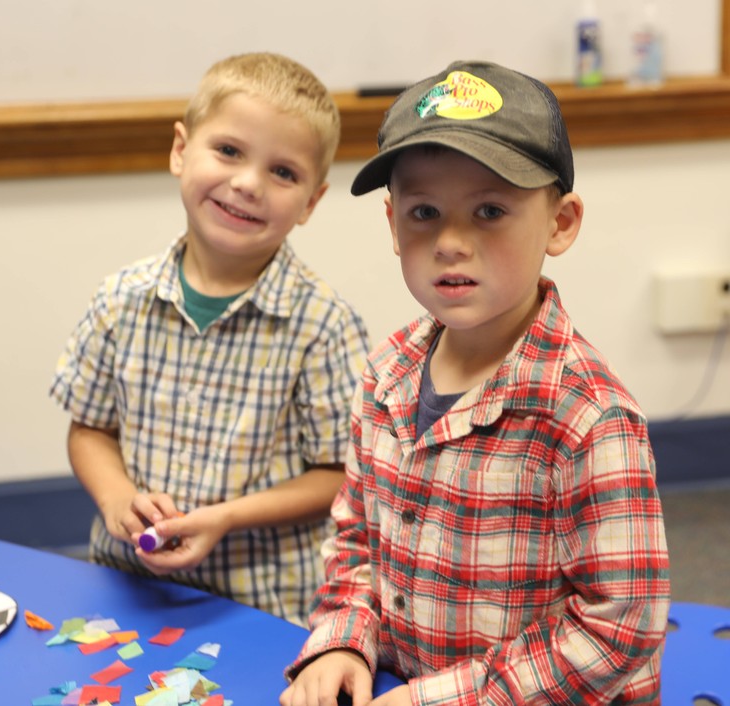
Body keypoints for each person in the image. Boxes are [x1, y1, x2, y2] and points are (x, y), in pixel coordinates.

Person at [280, 61, 670, 704]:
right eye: (425, 212)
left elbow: (616, 630)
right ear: (391, 224)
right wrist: (345, 637)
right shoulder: (385, 375)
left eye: (489, 210)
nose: (451, 242)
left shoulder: (588, 416)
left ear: (560, 222)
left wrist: (437, 698)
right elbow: (356, 540)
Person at [50, 52, 370, 626]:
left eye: (283, 172)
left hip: (258, 607)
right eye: (228, 151)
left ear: (311, 203)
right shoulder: (120, 299)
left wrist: (226, 516)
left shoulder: (323, 324)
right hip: (125, 588)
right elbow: (90, 427)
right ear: (180, 150)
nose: (247, 184)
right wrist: (117, 498)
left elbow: (338, 473)